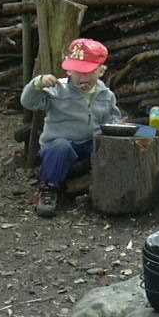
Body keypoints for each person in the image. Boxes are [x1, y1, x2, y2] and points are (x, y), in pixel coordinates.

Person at [21, 37, 141, 217]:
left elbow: (111, 117)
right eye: (76, 72)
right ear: (68, 70)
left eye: (87, 72)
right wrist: (37, 83)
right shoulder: (58, 89)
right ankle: (49, 189)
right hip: (61, 142)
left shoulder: (106, 95)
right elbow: (29, 102)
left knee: (117, 146)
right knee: (60, 148)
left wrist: (117, 125)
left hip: (91, 142)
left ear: (101, 71)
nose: (81, 77)